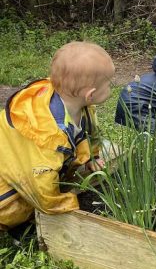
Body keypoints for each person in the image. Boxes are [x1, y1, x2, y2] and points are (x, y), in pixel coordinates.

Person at [0, 41, 115, 231]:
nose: (111, 89)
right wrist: (67, 203)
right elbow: (42, 188)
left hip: (27, 165)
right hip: (8, 192)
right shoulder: (47, 137)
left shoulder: (82, 107)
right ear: (90, 94)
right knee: (15, 211)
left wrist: (92, 157)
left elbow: (90, 134)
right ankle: (20, 229)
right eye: (109, 84)